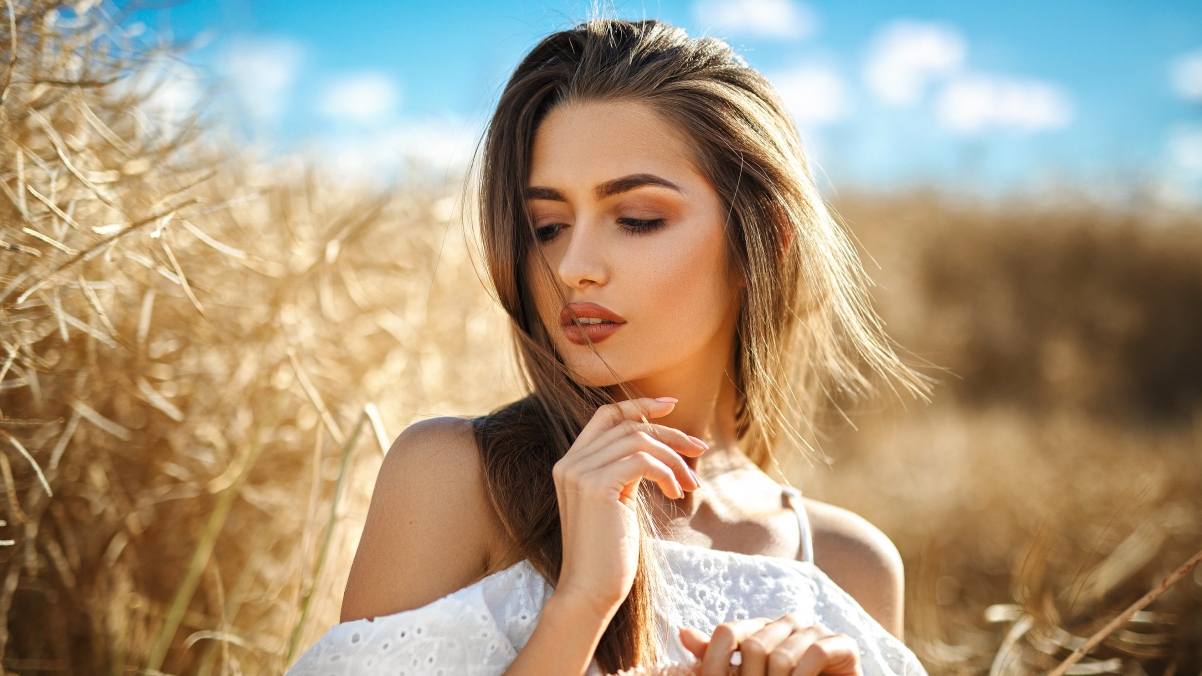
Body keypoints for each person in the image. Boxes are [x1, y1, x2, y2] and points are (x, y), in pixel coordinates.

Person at [288, 18, 928, 676]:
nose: (573, 266)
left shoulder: (850, 566)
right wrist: (581, 606)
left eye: (636, 220)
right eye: (547, 225)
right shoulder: (456, 478)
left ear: (761, 238)